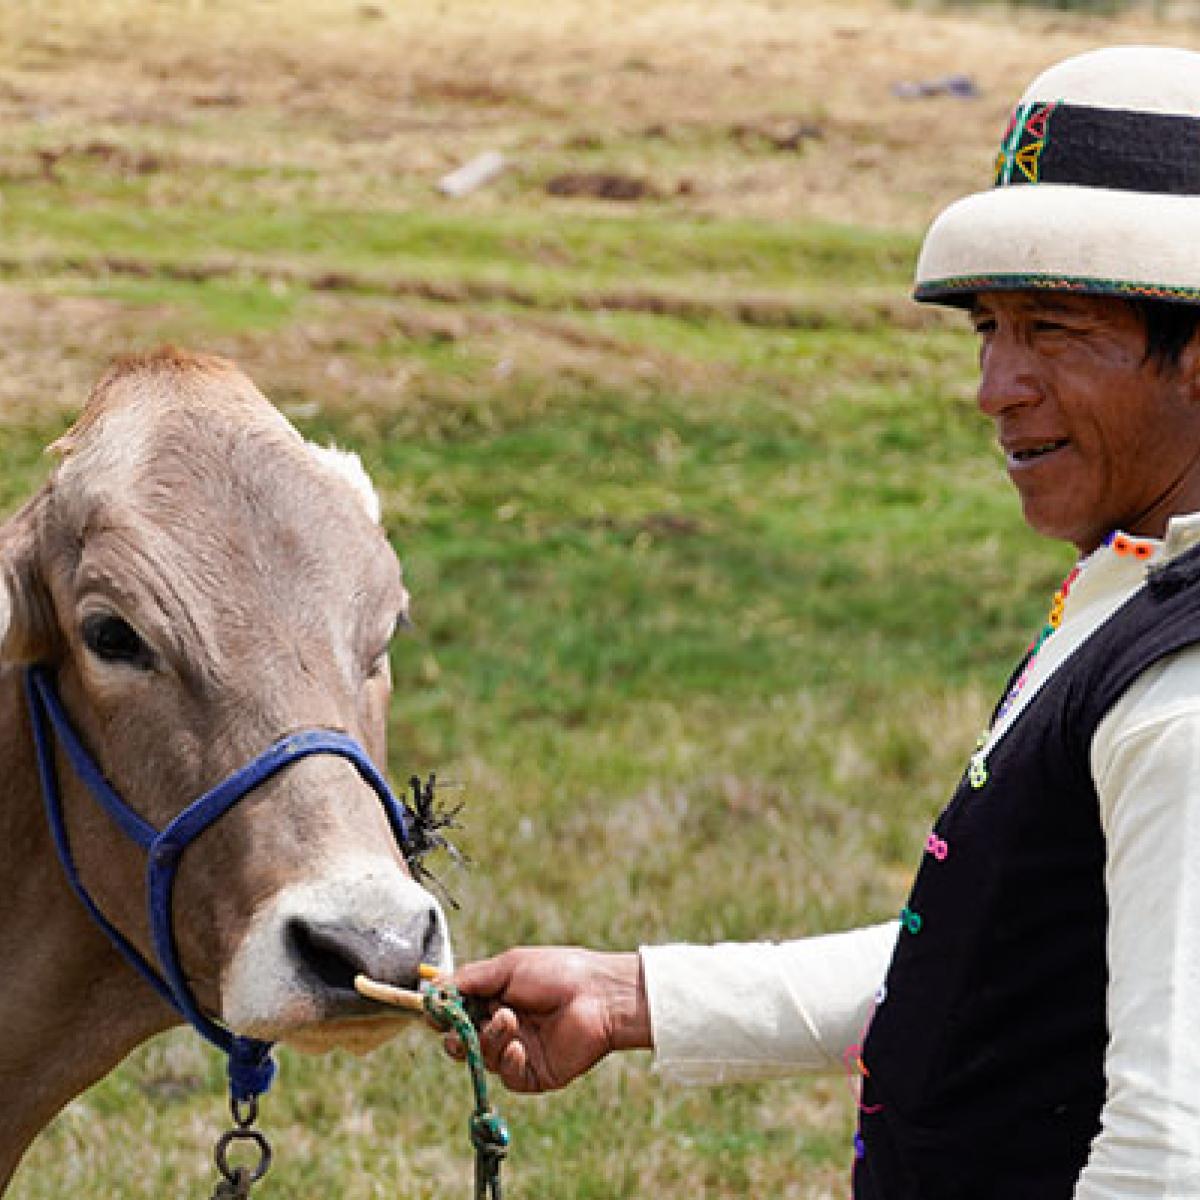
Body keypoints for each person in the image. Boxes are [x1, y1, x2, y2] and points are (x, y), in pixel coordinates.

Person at [448, 46, 1200, 1198]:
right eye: (987, 330)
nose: (996, 385)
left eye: (1052, 330)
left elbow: (1167, 1155)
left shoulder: (1182, 700)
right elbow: (991, 961)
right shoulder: (1133, 593)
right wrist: (631, 996)